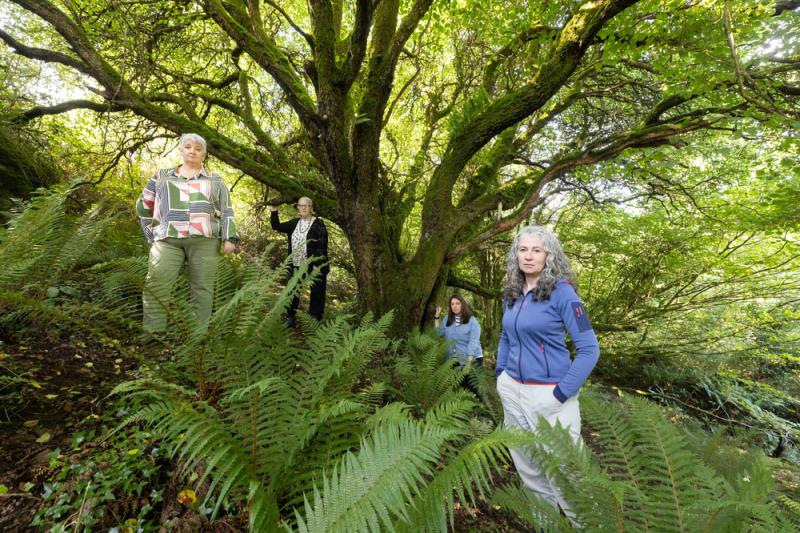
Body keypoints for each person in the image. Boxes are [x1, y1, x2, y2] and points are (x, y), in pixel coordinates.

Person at [495, 225, 599, 523]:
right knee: (530, 471)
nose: (528, 256)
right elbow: (506, 336)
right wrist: (502, 374)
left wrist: (560, 394)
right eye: (523, 249)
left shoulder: (563, 295)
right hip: (513, 392)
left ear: (548, 256)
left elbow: (589, 350)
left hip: (550, 396)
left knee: (569, 477)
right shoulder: (512, 292)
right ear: (516, 254)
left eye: (536, 250)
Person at [136, 133, 238, 338]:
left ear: (204, 154)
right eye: (188, 147)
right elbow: (143, 205)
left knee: (202, 288)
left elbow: (226, 210)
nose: (193, 151)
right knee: (157, 282)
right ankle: (153, 333)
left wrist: (230, 238)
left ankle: (197, 335)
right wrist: (151, 233)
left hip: (205, 241)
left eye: (198, 149)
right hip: (167, 240)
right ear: (181, 150)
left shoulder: (215, 181)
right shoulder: (161, 176)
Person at [270, 197, 329, 325]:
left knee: (317, 291)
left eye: (306, 205)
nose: (303, 208)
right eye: (301, 205)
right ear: (298, 208)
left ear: (311, 208)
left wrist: (317, 265)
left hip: (313, 264)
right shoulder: (294, 223)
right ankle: (291, 317)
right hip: (295, 263)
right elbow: (276, 226)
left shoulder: (319, 224)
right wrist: (274, 210)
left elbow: (322, 245)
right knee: (292, 289)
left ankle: (314, 320)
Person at [434, 294, 483, 368]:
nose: (455, 306)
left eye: (458, 303)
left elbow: (473, 341)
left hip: (472, 359)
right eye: (452, 304)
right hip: (453, 359)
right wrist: (437, 316)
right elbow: (438, 334)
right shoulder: (447, 319)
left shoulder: (472, 320)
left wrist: (468, 363)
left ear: (462, 305)